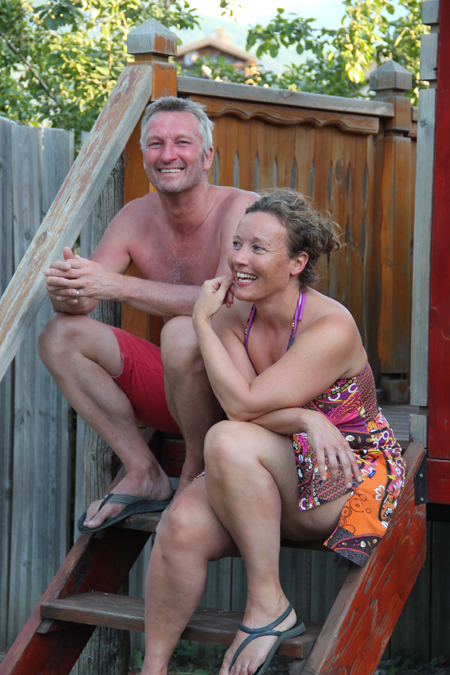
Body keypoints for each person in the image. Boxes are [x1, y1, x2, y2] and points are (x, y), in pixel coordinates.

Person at [141, 188, 406, 675]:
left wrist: (199, 320)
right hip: (270, 462)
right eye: (237, 243)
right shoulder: (234, 315)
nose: (239, 259)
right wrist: (304, 418)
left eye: (258, 248)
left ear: (296, 263)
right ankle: (151, 670)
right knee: (179, 525)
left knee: (225, 439)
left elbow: (240, 408)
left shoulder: (331, 327)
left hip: (347, 470)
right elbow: (240, 407)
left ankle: (268, 605)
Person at [38, 96, 256, 532]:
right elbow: (86, 296)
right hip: (182, 392)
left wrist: (116, 286)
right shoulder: (134, 216)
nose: (168, 154)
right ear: (144, 157)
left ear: (207, 156)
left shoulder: (243, 209)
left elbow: (224, 300)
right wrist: (68, 289)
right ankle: (143, 470)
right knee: (59, 336)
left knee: (184, 331)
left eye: (182, 142)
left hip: (247, 395)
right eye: (156, 144)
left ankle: (193, 473)